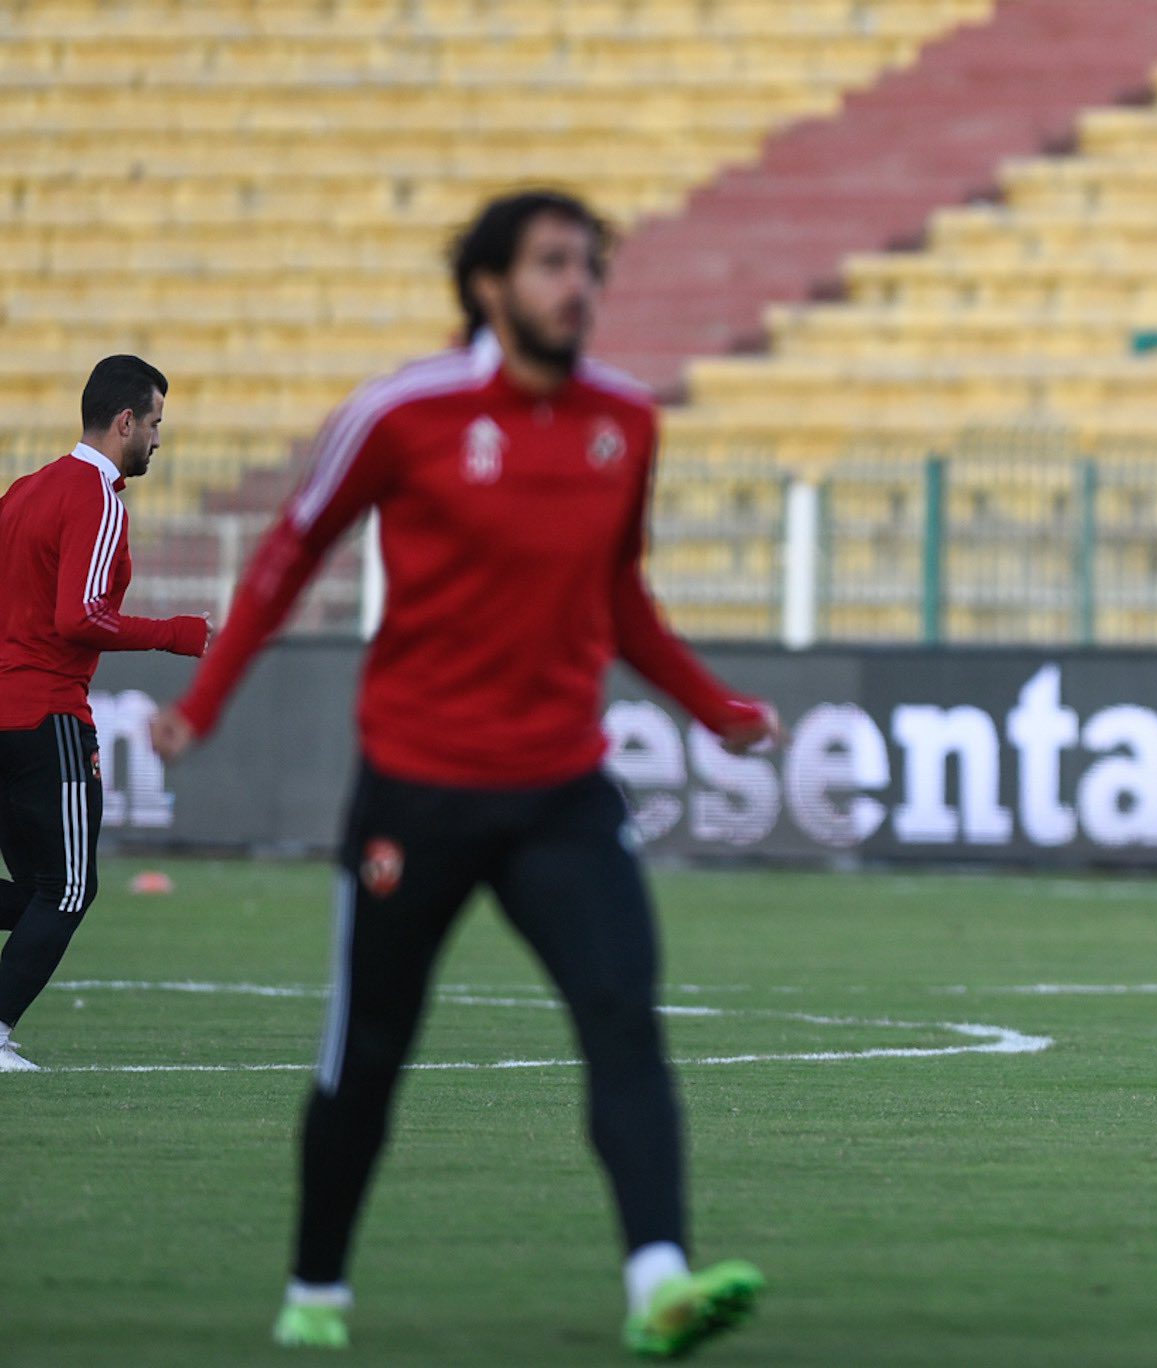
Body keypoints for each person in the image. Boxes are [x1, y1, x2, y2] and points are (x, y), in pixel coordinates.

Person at [150, 190, 776, 1356]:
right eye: (551, 265)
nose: (576, 287)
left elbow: (619, 601)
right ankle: (317, 1291)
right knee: (369, 1051)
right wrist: (203, 704)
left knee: (621, 1016)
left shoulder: (626, 423)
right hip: (416, 792)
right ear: (489, 284)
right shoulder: (404, 411)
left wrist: (716, 710)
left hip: (561, 793)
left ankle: (658, 1283)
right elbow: (292, 554)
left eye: (588, 266)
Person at [0, 355, 209, 1073]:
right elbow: (80, 616)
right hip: (47, 717)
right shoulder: (97, 495)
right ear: (125, 422)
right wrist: (178, 633)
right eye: (154, 424)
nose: (157, 439)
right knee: (70, 888)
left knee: (33, 893)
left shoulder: (23, 491)